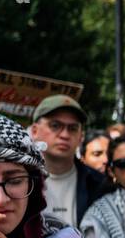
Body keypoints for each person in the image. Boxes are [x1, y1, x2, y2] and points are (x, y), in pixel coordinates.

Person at [29, 95, 110, 228]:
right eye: (55, 125)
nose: (65, 135)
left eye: (73, 128)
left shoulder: (98, 184)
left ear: (81, 137)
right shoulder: (17, 180)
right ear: (34, 131)